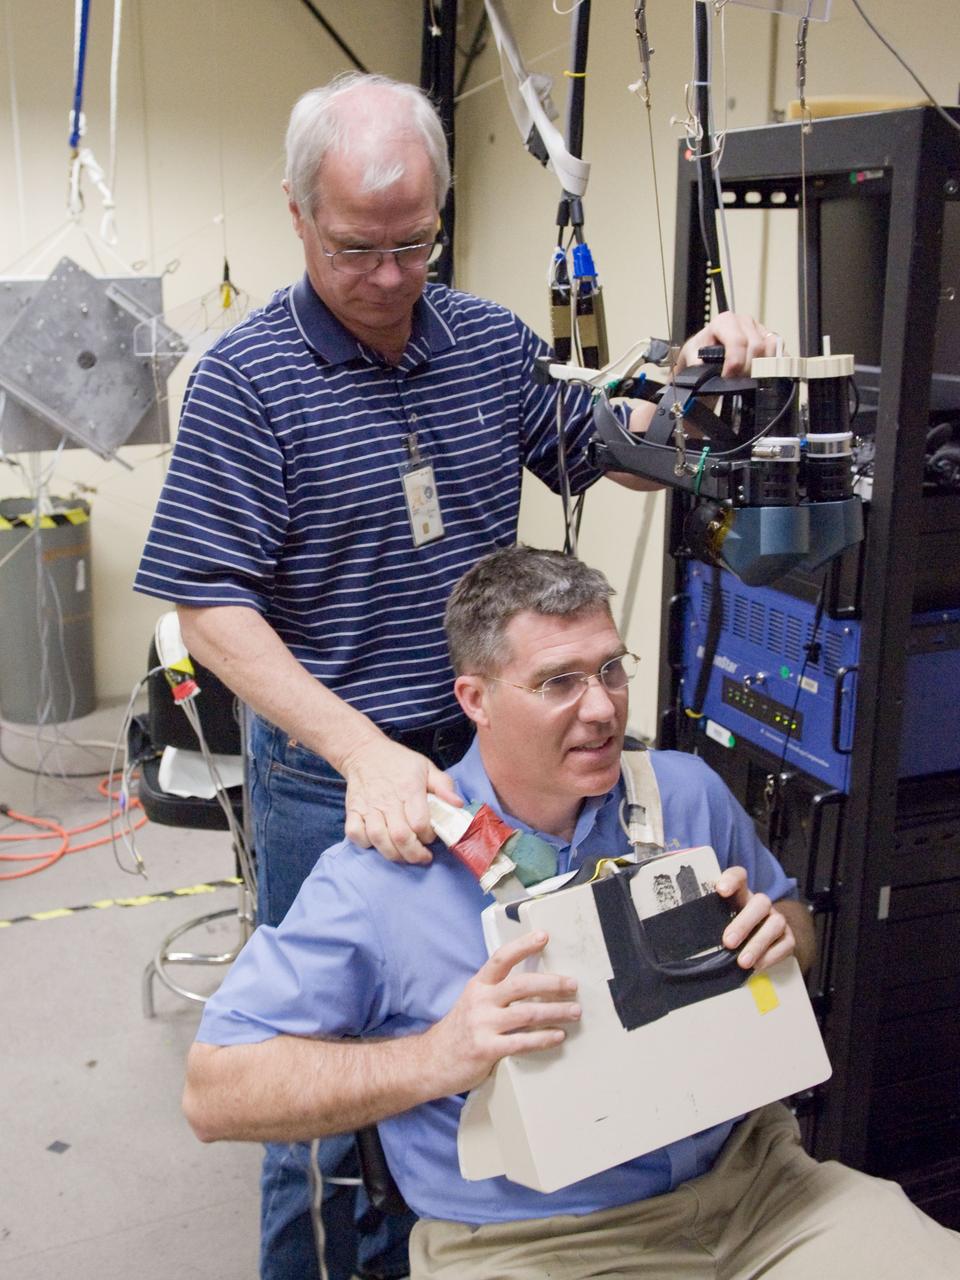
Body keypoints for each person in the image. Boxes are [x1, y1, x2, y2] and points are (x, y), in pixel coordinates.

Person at [135, 70, 777, 1279]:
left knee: (505, 1028)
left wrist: (693, 381)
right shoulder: (245, 381)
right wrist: (360, 751)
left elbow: (601, 446)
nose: (390, 277)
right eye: (357, 248)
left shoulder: (483, 339)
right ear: (296, 214)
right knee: (327, 1084)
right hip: (337, 769)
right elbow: (207, 606)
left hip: (494, 752)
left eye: (415, 244)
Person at [182, 547, 960, 1280]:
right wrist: (435, 1057)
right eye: (558, 682)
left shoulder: (684, 793)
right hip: (541, 1243)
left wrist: (782, 934)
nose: (601, 708)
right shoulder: (381, 879)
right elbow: (215, 1091)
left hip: (761, 1190)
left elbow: (794, 919)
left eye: (611, 670)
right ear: (476, 699)